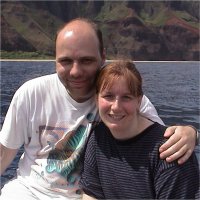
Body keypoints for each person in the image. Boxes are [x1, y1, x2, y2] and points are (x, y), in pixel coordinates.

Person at [0, 18, 198, 200]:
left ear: (103, 57)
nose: (76, 71)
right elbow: (3, 154)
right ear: (55, 60)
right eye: (66, 61)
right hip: (28, 192)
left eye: (86, 60)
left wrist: (191, 134)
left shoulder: (125, 101)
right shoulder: (31, 93)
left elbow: (160, 141)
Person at [80, 60, 199, 199]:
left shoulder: (170, 150)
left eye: (126, 97)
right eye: (108, 96)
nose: (116, 107)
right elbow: (91, 193)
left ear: (139, 101)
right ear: (96, 99)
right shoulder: (98, 138)